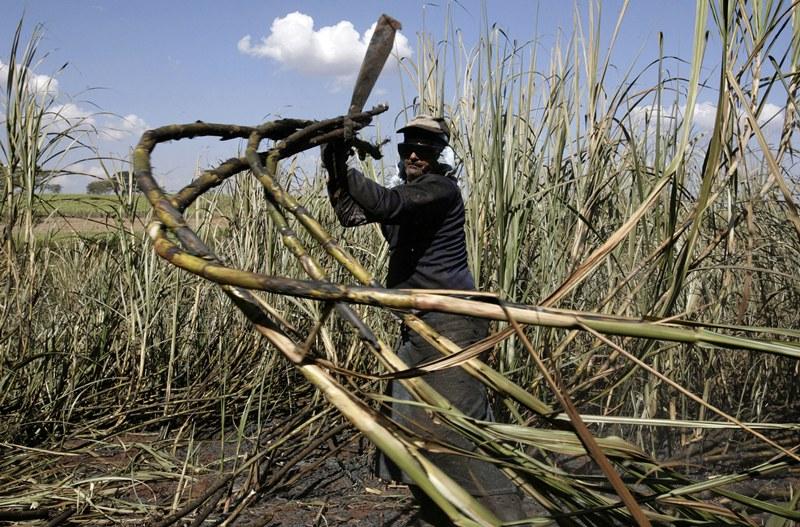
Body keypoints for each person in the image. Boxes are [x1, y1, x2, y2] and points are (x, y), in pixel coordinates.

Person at [322, 115, 525, 525]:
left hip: (450, 325)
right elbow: (350, 213)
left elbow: (384, 204)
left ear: (440, 156)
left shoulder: (440, 190)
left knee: (456, 434)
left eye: (425, 149)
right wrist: (334, 165)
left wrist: (346, 167)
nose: (414, 154)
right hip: (417, 327)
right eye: (407, 147)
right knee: (417, 433)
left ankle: (508, 517)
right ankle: (439, 515)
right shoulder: (410, 197)